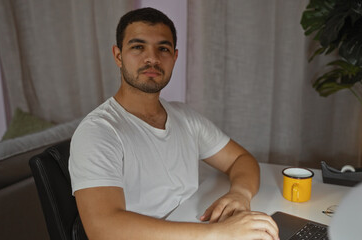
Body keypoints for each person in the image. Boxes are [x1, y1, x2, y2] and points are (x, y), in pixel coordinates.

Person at [69, 7, 279, 240]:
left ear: (174, 57)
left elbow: (242, 160)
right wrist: (218, 233)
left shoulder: (184, 117)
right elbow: (103, 229)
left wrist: (240, 194)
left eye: (163, 49)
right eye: (138, 47)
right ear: (118, 56)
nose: (152, 58)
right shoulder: (98, 132)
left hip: (196, 227)